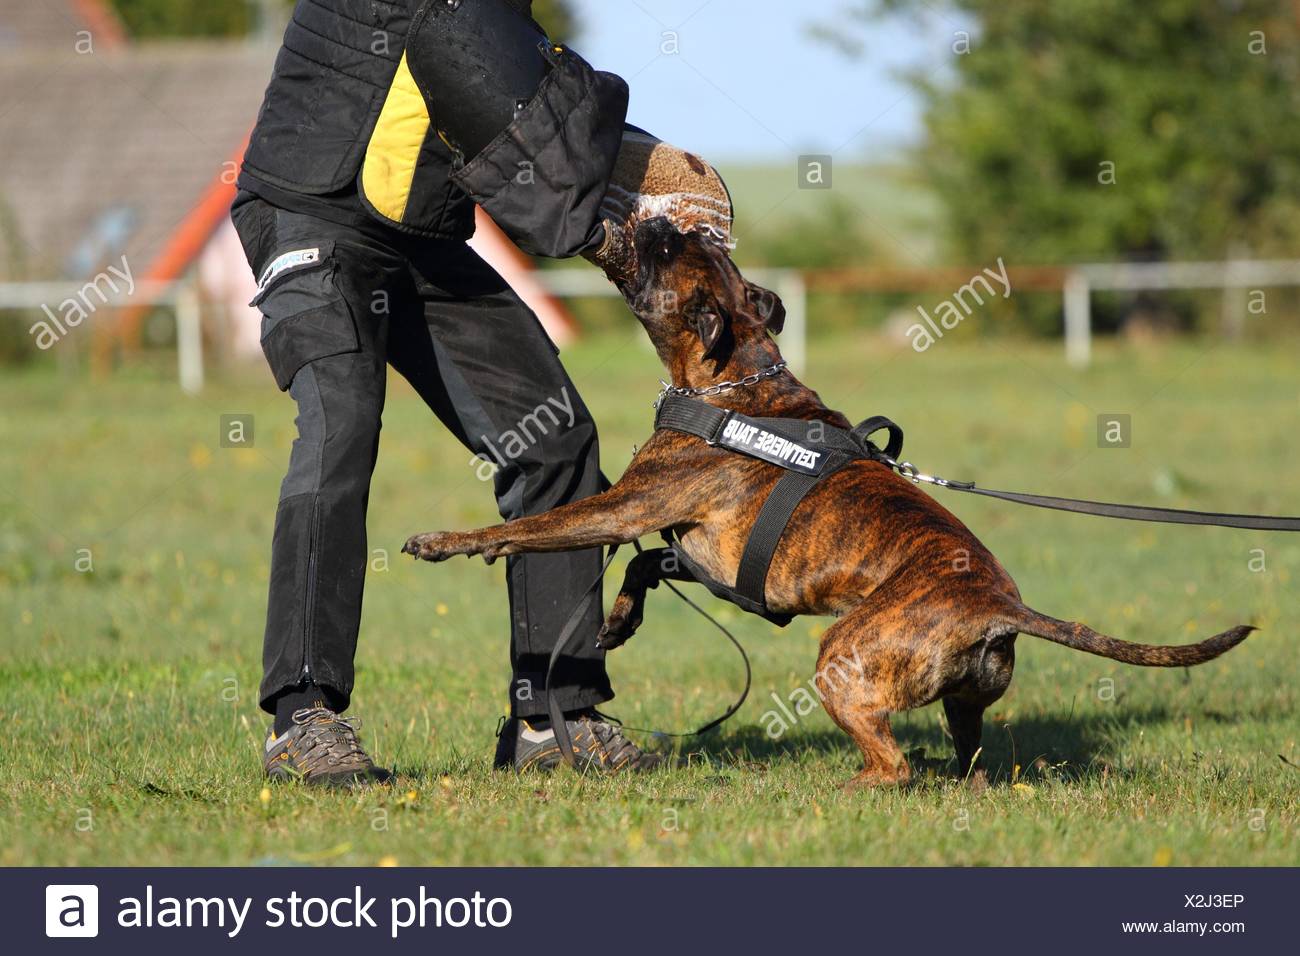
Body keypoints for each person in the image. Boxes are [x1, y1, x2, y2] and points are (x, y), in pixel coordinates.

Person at [234, 0, 732, 784]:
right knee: (341, 422)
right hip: (308, 211)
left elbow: (520, 83)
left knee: (554, 438)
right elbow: (489, 76)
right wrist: (596, 218)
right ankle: (302, 718)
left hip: (418, 236)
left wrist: (625, 171)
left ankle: (552, 719)